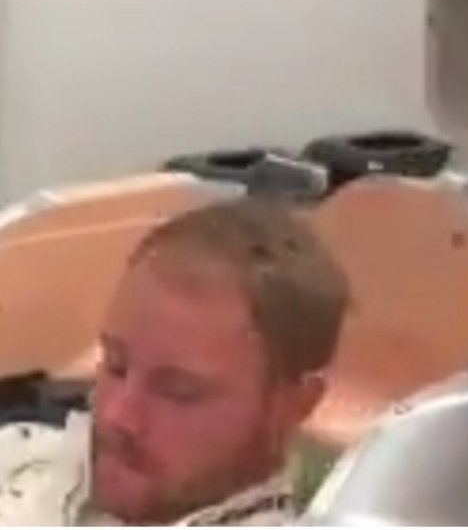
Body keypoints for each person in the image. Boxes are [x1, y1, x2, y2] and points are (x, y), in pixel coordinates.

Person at [0, 198, 350, 526]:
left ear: (291, 406)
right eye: (116, 366)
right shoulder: (26, 458)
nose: (115, 415)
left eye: (177, 391)